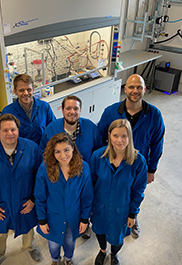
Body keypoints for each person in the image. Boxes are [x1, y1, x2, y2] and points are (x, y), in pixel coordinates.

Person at [97, 74, 165, 238]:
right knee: (109, 192)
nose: (135, 91)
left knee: (134, 193)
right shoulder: (110, 112)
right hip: (112, 164)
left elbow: (157, 144)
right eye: (132, 87)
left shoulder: (154, 115)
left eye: (139, 87)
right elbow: (100, 138)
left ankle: (132, 217)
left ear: (144, 89)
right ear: (125, 88)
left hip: (137, 167)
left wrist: (151, 169)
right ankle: (102, 218)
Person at [0, 114, 43, 265]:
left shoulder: (32, 149)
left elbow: (41, 177)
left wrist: (33, 200)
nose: (10, 134)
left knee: (28, 229)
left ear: (18, 130)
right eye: (5, 130)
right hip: (0, 204)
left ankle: (30, 246)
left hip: (25, 201)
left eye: (13, 129)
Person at [39, 95, 102, 240]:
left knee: (84, 202)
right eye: (68, 108)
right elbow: (43, 151)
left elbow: (99, 152)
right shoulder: (52, 129)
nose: (72, 112)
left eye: (76, 108)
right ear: (62, 110)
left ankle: (84, 226)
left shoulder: (90, 127)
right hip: (60, 177)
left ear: (80, 111)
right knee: (63, 204)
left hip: (84, 178)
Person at [90, 119, 147, 265]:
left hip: (121, 210)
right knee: (100, 231)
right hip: (99, 207)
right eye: (115, 136)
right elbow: (90, 184)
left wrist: (133, 214)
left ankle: (114, 253)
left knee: (117, 237)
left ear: (130, 137)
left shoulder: (138, 161)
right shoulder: (98, 156)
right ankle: (103, 251)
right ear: (109, 136)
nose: (119, 140)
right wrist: (88, 207)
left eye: (124, 136)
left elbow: (138, 190)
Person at [35, 133, 93, 265]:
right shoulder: (45, 168)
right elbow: (39, 197)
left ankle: (68, 259)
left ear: (73, 148)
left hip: (74, 217)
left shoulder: (84, 168)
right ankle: (55, 260)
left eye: (66, 150)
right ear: (52, 153)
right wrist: (42, 221)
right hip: (52, 217)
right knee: (54, 244)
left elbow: (87, 196)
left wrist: (84, 219)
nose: (63, 155)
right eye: (57, 152)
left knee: (69, 241)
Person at [1, 74, 56, 145]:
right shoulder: (8, 112)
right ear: (15, 92)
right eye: (21, 90)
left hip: (43, 151)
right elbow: (4, 138)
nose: (26, 93)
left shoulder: (44, 107)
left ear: (33, 89)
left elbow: (54, 129)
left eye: (28, 89)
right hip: (21, 153)